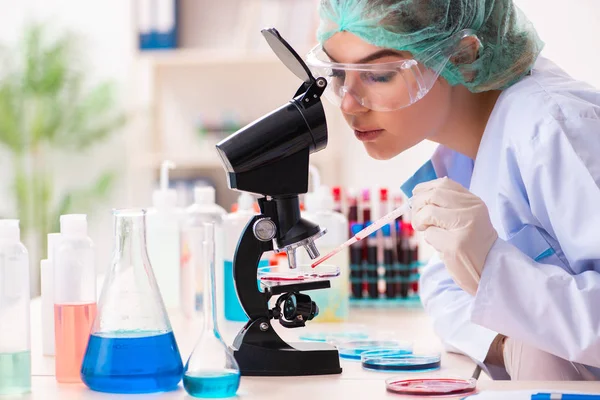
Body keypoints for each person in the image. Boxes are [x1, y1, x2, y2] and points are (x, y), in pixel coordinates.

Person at [306, 0, 600, 381]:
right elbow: (441, 290)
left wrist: (494, 269)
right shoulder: (464, 148)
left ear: (462, 55)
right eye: (339, 74)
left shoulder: (551, 127)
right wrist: (509, 344)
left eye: (378, 75)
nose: (348, 103)